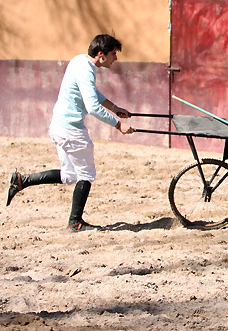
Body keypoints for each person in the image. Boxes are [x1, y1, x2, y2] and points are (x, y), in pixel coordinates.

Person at [6, 34, 134, 232]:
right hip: (71, 130)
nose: (115, 59)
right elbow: (92, 107)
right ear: (101, 55)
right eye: (113, 54)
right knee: (87, 174)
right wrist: (118, 125)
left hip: (58, 126)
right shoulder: (86, 71)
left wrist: (114, 107)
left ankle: (22, 180)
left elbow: (91, 93)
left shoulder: (80, 60)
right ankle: (75, 222)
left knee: (70, 175)